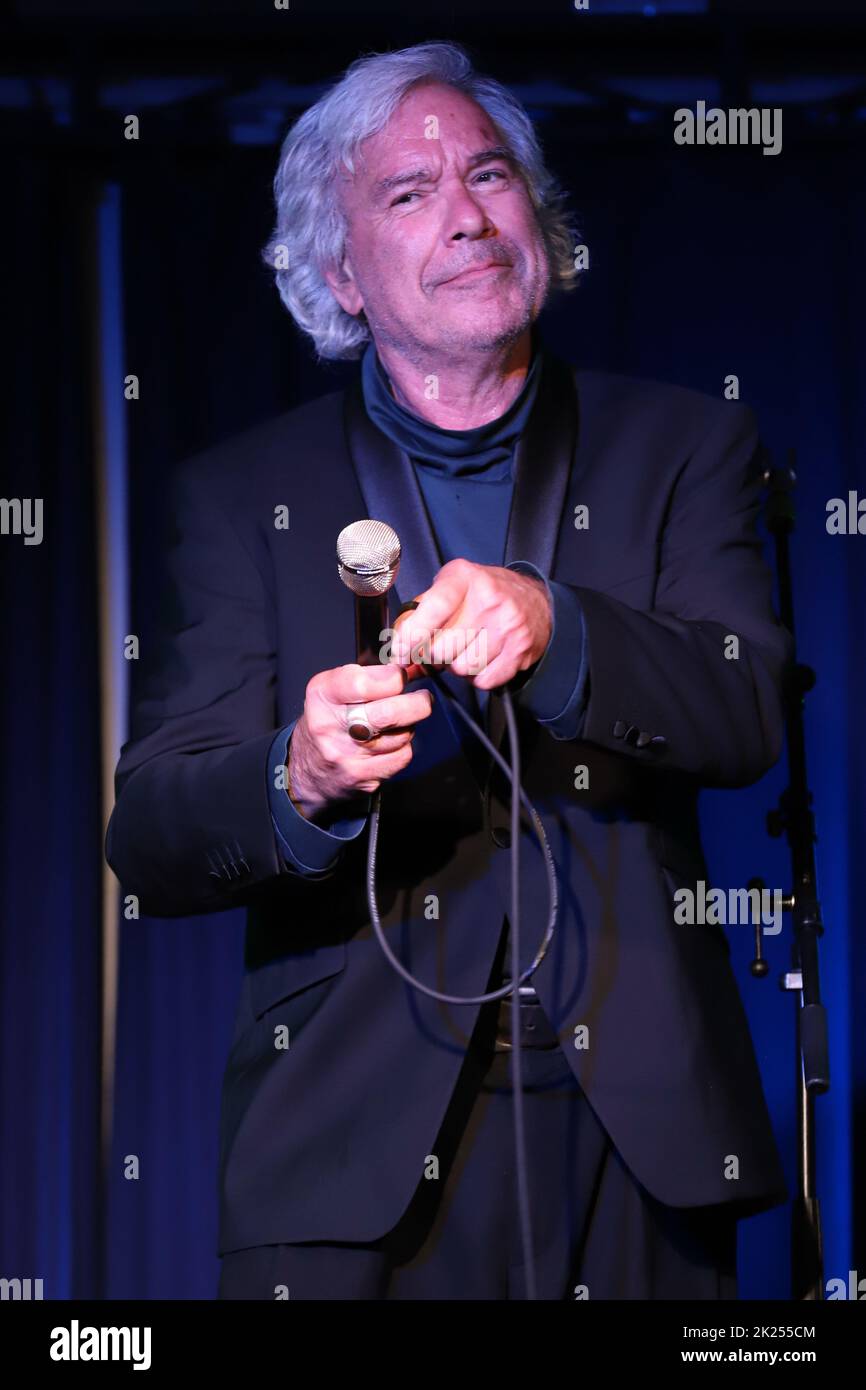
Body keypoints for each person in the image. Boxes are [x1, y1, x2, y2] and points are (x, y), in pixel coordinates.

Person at [105, 40, 791, 1300]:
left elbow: (746, 706)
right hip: (343, 1148)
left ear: (539, 217)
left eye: (488, 176)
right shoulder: (235, 495)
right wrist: (292, 775)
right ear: (337, 275)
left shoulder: (687, 443)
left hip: (641, 1142)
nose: (468, 216)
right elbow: (148, 827)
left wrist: (560, 626)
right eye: (408, 195)